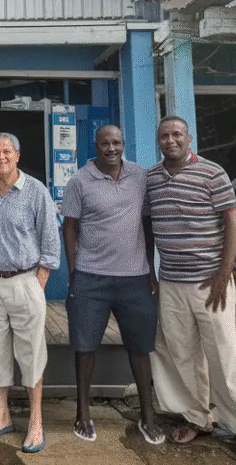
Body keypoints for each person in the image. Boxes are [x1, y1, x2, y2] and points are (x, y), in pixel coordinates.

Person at [147, 116, 236, 465]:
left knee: (223, 356)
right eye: (165, 135)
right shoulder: (152, 178)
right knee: (182, 355)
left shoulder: (212, 173)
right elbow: (149, 226)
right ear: (159, 140)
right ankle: (197, 419)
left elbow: (232, 219)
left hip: (209, 283)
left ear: (189, 138)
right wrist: (151, 273)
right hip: (171, 283)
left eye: (177, 134)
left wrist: (223, 274)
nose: (171, 140)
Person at [61, 125, 164, 445]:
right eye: (104, 143)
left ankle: (147, 417)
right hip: (91, 277)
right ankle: (82, 413)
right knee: (84, 347)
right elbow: (70, 228)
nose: (111, 148)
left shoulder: (140, 177)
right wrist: (74, 272)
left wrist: (150, 269)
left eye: (116, 142)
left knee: (141, 347)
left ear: (124, 144)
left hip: (134, 278)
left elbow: (147, 225)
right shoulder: (79, 180)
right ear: (95, 146)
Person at [0, 133, 59, 454]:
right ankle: (2, 415)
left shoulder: (36, 191)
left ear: (17, 155)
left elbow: (50, 238)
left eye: (7, 151)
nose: (1, 156)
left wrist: (40, 282)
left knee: (31, 354)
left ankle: (35, 420)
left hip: (26, 281)